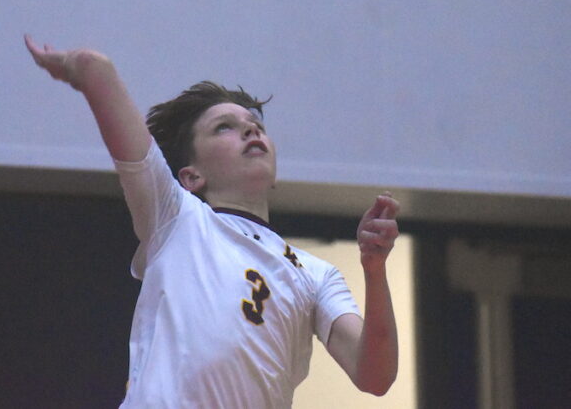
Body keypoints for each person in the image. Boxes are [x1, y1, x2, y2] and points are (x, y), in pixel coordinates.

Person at [24, 35, 400, 407]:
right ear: (191, 177)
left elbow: (375, 376)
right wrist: (87, 69)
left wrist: (374, 269)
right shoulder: (176, 217)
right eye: (224, 127)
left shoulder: (316, 274)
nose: (251, 130)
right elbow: (111, 101)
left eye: (256, 124)